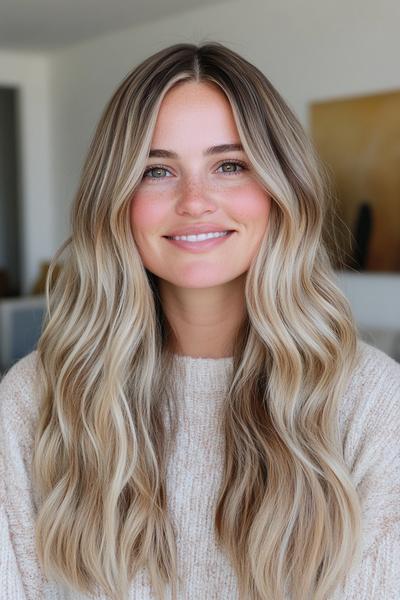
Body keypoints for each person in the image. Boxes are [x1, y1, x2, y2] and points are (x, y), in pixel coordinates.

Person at [0, 42, 399, 600]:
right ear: (114, 198)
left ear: (282, 190)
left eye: (230, 165)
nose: (194, 200)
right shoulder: (34, 400)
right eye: (157, 170)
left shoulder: (373, 403)